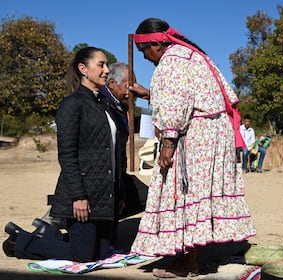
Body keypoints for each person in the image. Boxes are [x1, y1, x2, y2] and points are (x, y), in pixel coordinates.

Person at [130, 18, 256, 278]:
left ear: (155, 43)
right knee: (196, 193)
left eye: (145, 51)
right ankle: (192, 255)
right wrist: (148, 93)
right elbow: (190, 94)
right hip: (212, 133)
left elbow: (177, 105)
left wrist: (167, 142)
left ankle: (188, 262)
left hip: (197, 137)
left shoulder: (172, 61)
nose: (144, 57)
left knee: (182, 191)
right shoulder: (190, 56)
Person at [3, 47, 129, 262]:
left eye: (107, 65)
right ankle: (21, 242)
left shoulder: (107, 106)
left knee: (101, 253)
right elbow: (67, 155)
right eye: (101, 65)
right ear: (83, 69)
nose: (107, 70)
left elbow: (117, 151)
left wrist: (120, 193)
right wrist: (78, 197)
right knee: (82, 255)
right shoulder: (72, 104)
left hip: (105, 195)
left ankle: (47, 233)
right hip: (83, 196)